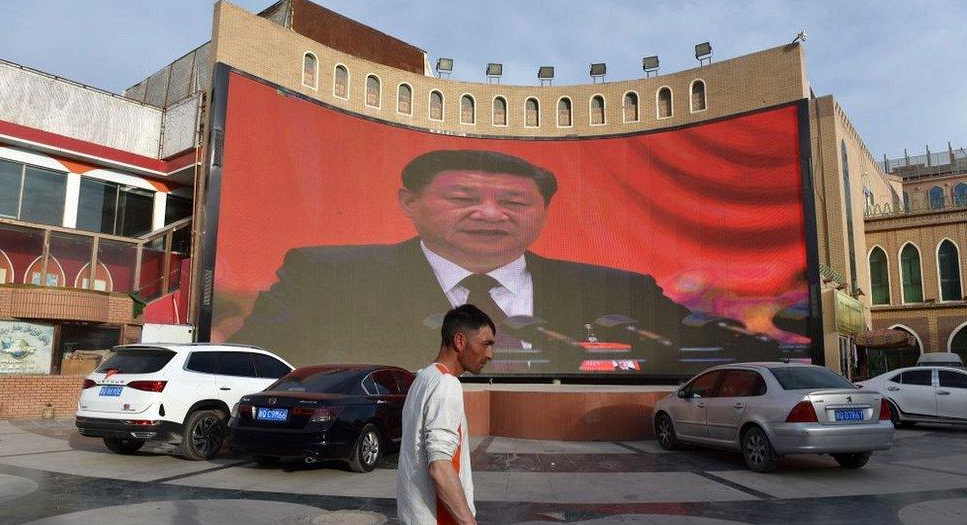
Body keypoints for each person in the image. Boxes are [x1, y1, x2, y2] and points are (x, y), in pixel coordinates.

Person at [231, 149, 773, 373]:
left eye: (513, 202)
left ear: (543, 213)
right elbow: (258, 360)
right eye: (464, 198)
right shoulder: (325, 275)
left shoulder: (617, 288)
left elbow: (712, 345)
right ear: (408, 203)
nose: (490, 215)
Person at [397, 304, 494, 525]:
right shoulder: (446, 384)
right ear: (460, 341)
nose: (490, 354)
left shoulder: (423, 378)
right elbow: (440, 467)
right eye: (486, 344)